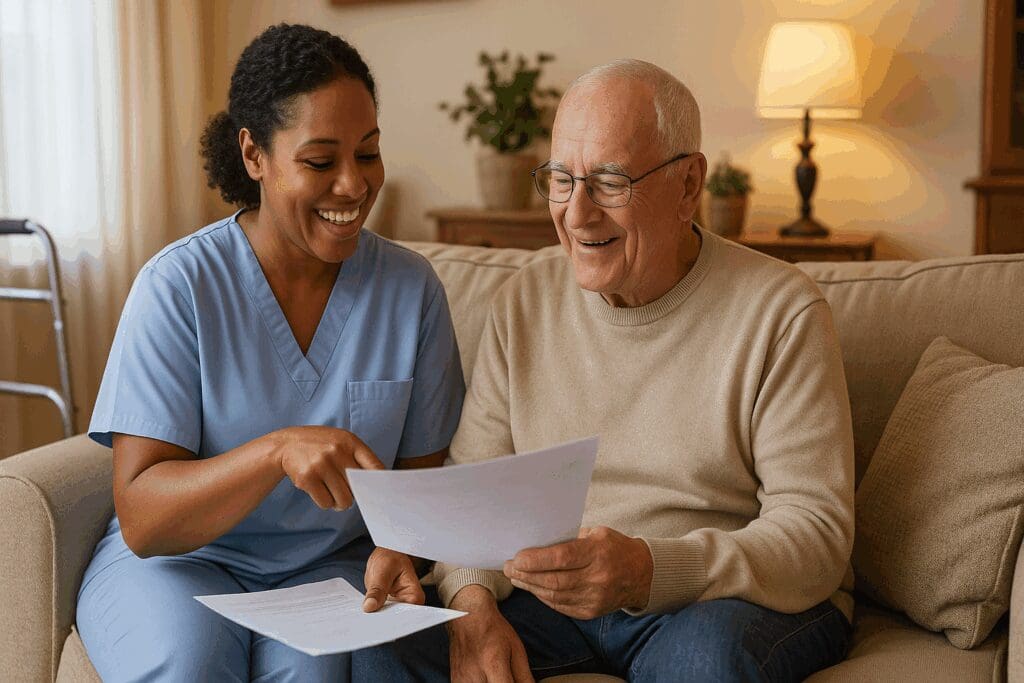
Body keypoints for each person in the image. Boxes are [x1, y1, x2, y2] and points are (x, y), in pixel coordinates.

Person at [357, 59, 855, 682]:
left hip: (711, 603)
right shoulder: (525, 299)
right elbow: (472, 491)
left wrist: (650, 569)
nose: (577, 212)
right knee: (383, 640)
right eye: (561, 179)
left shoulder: (781, 311)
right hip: (549, 603)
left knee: (707, 662)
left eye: (611, 180)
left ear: (688, 183)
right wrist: (470, 603)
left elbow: (817, 537)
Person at [77, 23, 464, 682]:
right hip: (180, 563)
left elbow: (421, 484)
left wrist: (398, 547)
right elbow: (142, 517)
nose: (353, 186)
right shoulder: (178, 286)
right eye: (320, 161)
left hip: (325, 573)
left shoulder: (411, 290)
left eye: (367, 154)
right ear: (254, 154)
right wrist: (276, 449)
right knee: (190, 665)